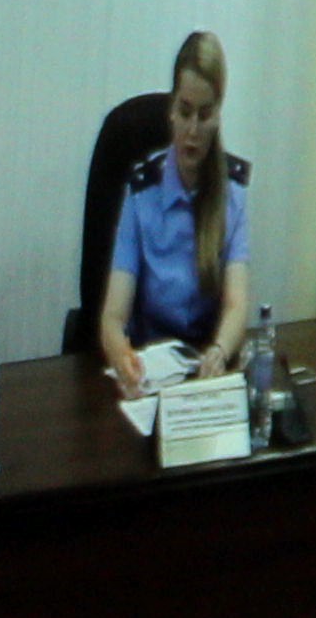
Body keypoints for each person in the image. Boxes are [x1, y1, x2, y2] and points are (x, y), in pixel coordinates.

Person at [99, 29, 256, 394]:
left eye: (205, 114)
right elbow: (112, 317)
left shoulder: (232, 193)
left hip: (204, 372)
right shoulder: (142, 192)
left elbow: (237, 305)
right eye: (185, 112)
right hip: (148, 369)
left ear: (218, 114)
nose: (193, 130)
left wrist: (220, 352)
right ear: (171, 110)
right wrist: (121, 356)